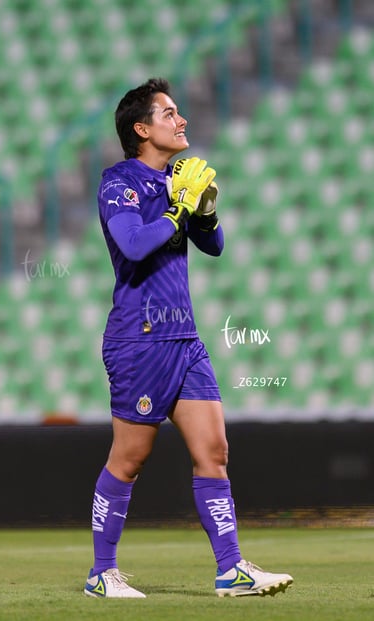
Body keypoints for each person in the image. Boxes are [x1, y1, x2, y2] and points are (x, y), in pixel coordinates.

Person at [84, 77, 293, 599]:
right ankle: (101, 574)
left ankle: (231, 570)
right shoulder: (119, 182)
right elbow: (133, 245)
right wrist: (179, 208)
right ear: (141, 128)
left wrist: (204, 209)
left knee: (215, 450)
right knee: (129, 458)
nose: (181, 121)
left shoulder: (179, 177)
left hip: (184, 339)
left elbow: (214, 245)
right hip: (140, 337)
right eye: (169, 113)